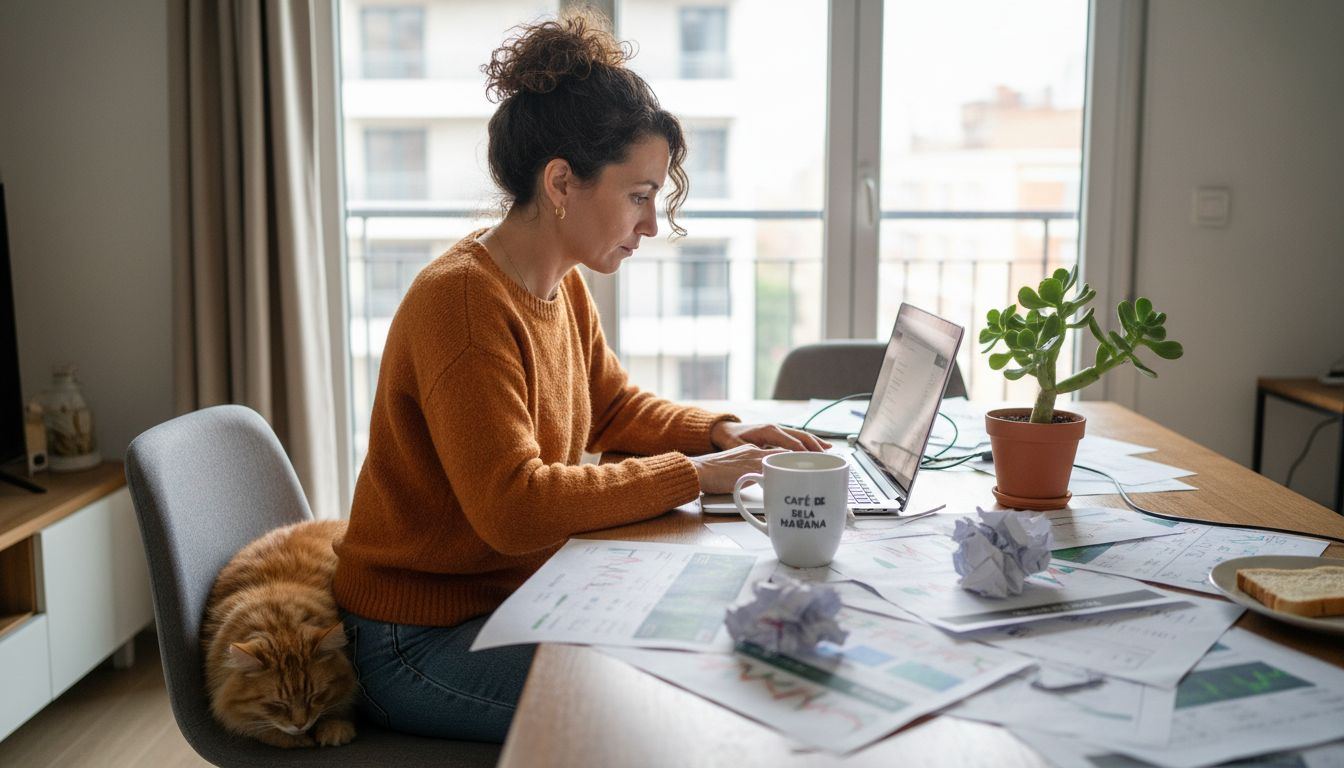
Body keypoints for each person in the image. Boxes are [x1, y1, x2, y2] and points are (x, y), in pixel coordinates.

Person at [332, 10, 828, 744]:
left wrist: (720, 433)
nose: (652, 224)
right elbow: (515, 507)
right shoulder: (464, 303)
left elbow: (615, 408)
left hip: (510, 600)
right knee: (667, 712)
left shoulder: (557, 283)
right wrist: (698, 473)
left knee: (697, 659)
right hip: (416, 640)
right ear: (562, 182)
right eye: (638, 195)